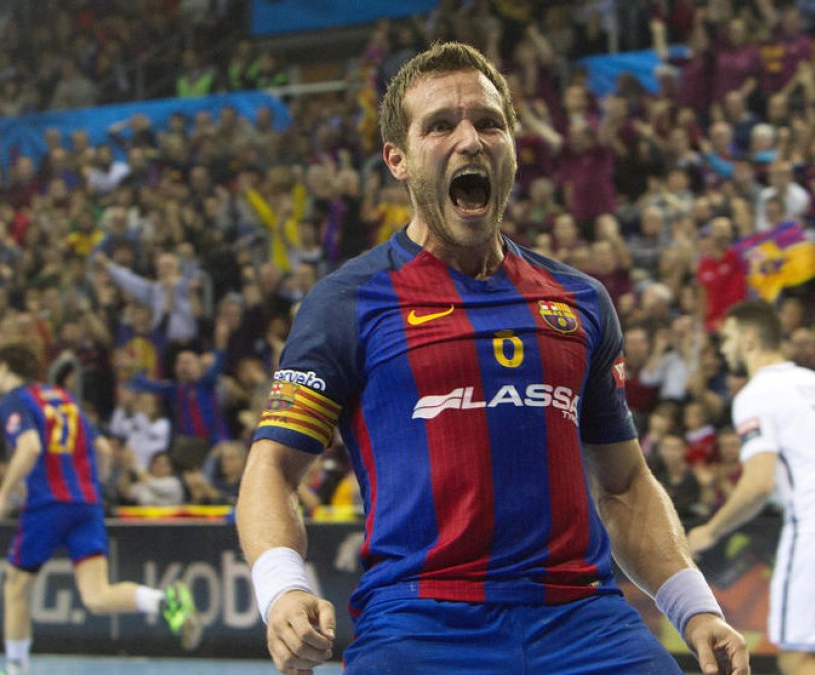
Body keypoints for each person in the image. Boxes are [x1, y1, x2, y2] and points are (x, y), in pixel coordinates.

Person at [235, 42, 749, 675]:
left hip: (584, 623)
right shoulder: (347, 302)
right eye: (441, 125)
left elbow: (623, 485)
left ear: (511, 147)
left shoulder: (581, 302)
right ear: (398, 159)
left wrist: (696, 609)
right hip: (421, 624)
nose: (470, 139)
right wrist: (282, 590)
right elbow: (272, 469)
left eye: (488, 121)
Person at [689, 300, 815, 675]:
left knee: (797, 657)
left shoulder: (756, 394)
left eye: (728, 339)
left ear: (749, 339)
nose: (723, 349)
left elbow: (758, 483)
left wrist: (710, 530)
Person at [0, 343, 202, 675]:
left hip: (47, 504)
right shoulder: (61, 396)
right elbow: (102, 448)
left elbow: (28, 447)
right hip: (86, 502)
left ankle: (15, 669)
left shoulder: (14, 399)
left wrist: (1, 496)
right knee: (97, 597)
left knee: (16, 586)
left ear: (3, 367)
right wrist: (89, 485)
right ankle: (165, 600)